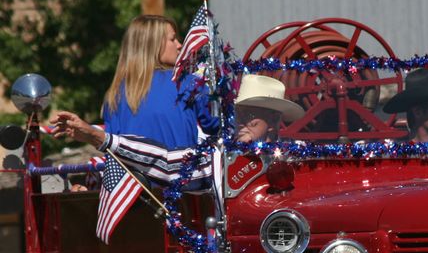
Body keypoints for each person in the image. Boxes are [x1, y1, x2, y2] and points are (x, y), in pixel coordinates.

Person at [50, 74, 304, 190]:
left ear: (273, 121)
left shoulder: (302, 157)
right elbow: (166, 161)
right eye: (239, 113)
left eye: (252, 115)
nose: (242, 122)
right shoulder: (219, 156)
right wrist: (100, 137)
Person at [102, 15, 219, 148]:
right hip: (181, 167)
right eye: (172, 39)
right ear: (153, 45)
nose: (179, 45)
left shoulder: (114, 96)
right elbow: (218, 125)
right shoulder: (187, 83)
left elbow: (111, 149)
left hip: (133, 169)